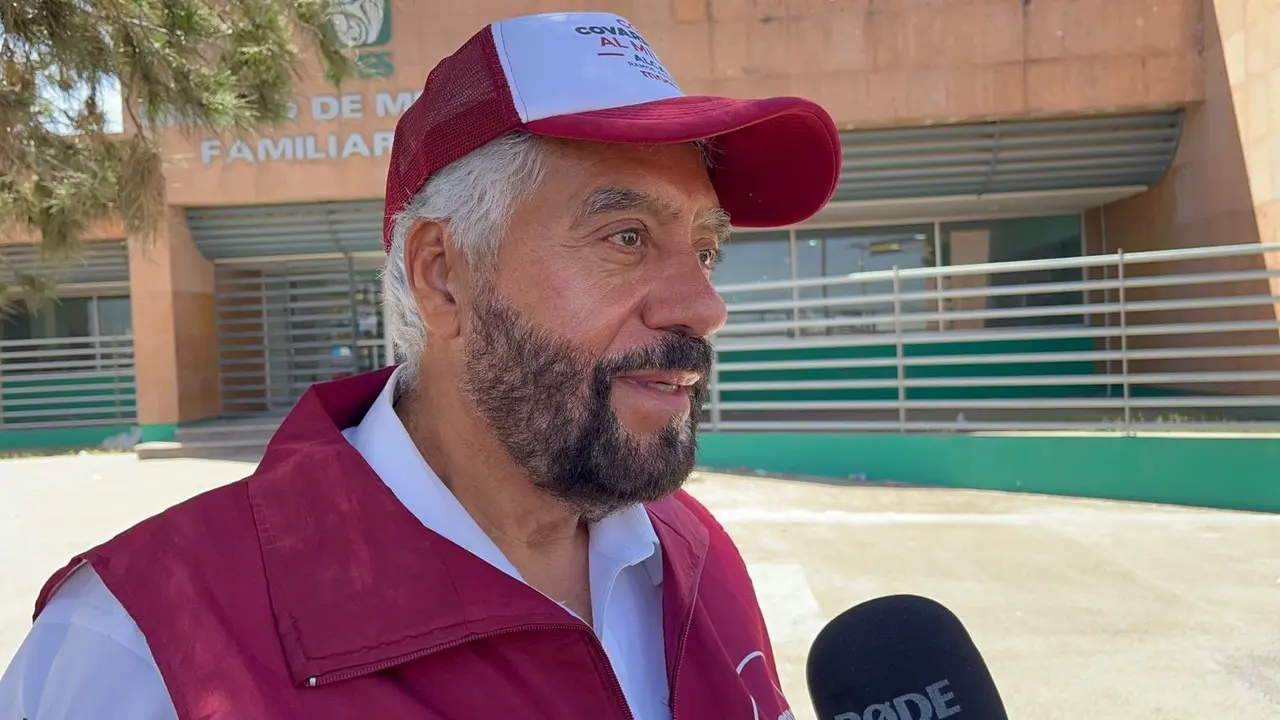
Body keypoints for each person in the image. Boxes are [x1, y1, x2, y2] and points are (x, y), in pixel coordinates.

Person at [0, 10, 839, 719]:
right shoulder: (139, 649)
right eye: (627, 238)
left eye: (705, 249)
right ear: (444, 274)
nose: (703, 305)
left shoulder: (693, 556)